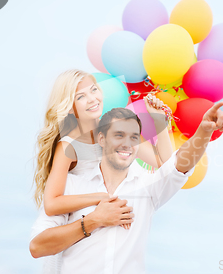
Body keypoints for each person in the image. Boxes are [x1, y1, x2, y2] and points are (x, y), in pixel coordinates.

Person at [29, 104, 223, 273]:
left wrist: (204, 131)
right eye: (119, 135)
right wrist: (93, 221)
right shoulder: (73, 184)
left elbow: (180, 163)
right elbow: (38, 247)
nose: (127, 144)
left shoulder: (148, 188)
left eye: (134, 137)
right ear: (101, 139)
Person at [32, 69, 172, 272]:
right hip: (79, 226)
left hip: (110, 223)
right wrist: (102, 197)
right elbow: (52, 203)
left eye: (94, 90)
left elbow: (163, 163)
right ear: (70, 108)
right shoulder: (68, 146)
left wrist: (160, 121)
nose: (92, 99)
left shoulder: (115, 129)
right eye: (81, 97)